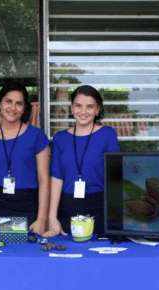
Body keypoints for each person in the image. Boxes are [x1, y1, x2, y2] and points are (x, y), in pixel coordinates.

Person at [0, 82, 50, 237]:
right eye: (8, 101)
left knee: (24, 255)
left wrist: (42, 218)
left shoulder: (36, 136)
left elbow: (44, 179)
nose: (13, 108)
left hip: (28, 207)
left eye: (19, 104)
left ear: (24, 108)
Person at [44, 85, 119, 237]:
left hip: (99, 207)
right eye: (78, 105)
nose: (83, 112)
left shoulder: (108, 135)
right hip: (67, 208)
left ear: (97, 109)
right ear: (72, 107)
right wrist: (52, 217)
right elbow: (57, 177)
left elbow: (114, 178)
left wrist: (115, 216)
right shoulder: (60, 138)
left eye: (89, 106)